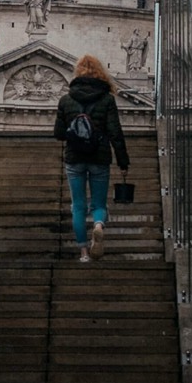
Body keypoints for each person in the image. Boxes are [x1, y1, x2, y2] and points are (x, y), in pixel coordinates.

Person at [53, 54, 130, 263]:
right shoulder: (107, 99)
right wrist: (123, 162)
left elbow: (58, 133)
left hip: (74, 158)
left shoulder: (66, 100)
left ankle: (84, 253)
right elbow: (116, 132)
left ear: (77, 72)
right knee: (98, 204)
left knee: (77, 206)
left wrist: (73, 131)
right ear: (100, 72)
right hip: (99, 157)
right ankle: (98, 225)